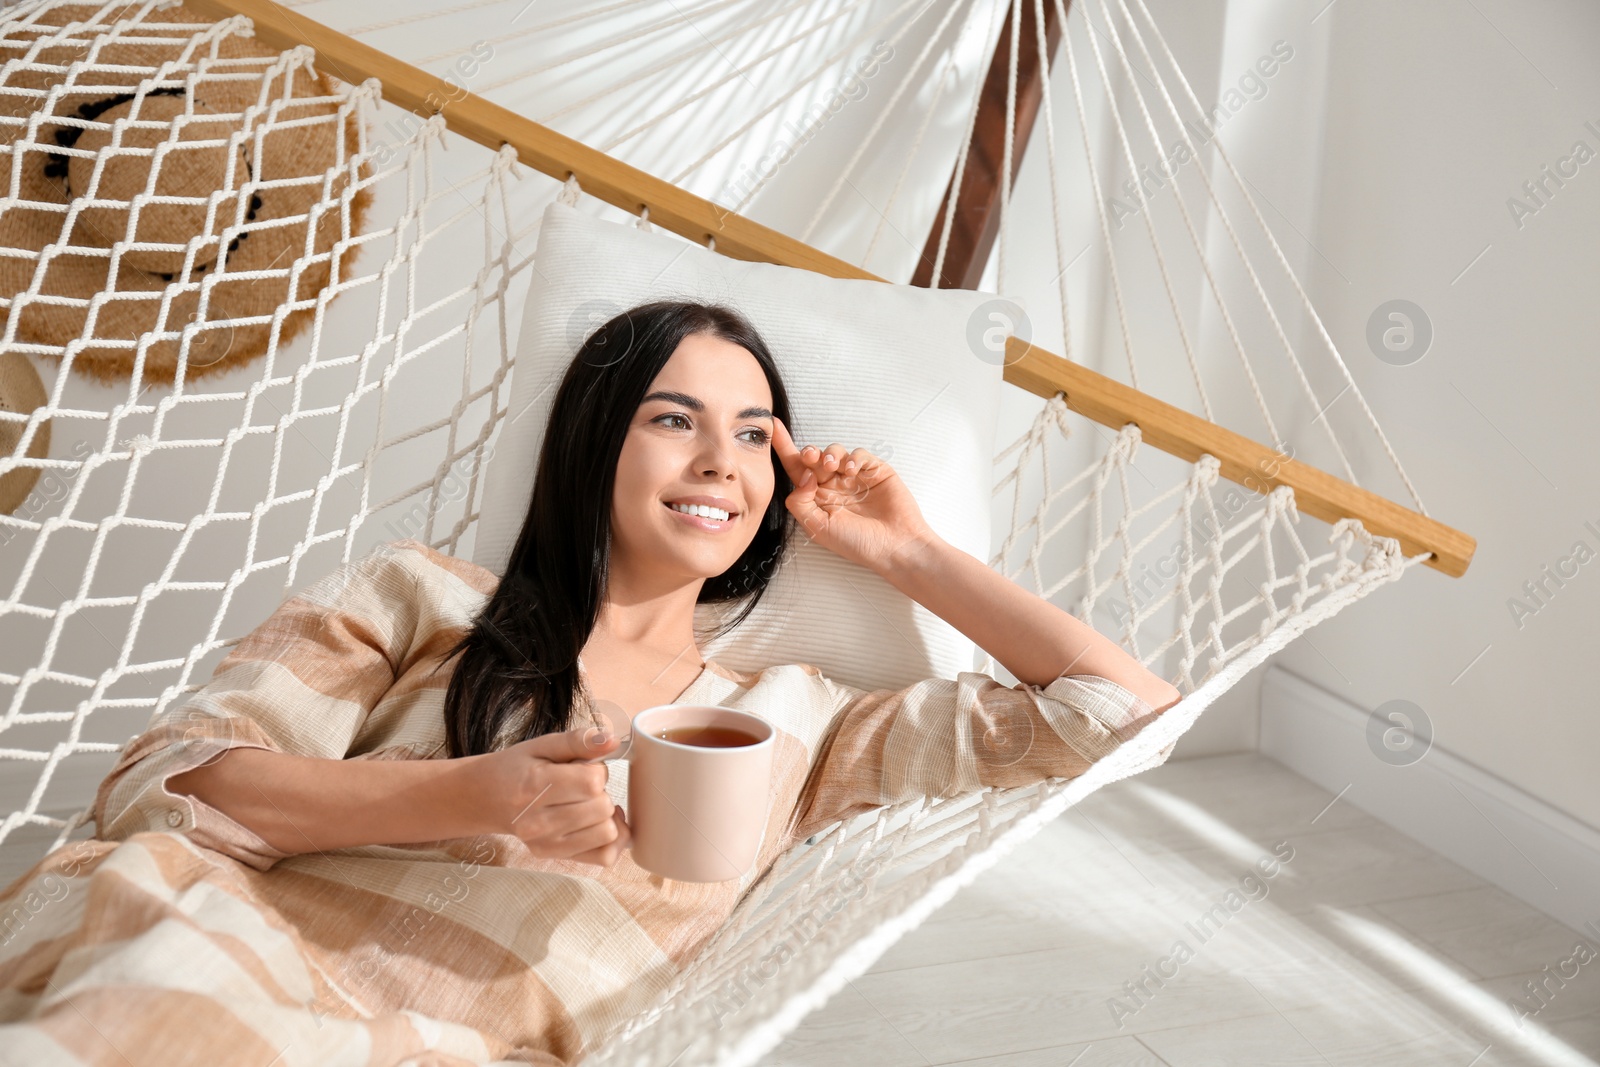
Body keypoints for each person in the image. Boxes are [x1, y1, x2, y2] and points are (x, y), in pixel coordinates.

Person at [0, 300, 1180, 1065]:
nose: (723, 456)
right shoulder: (424, 599)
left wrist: (906, 552)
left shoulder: (799, 721)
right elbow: (168, 787)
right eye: (676, 419)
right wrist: (478, 794)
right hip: (201, 949)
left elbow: (1123, 718)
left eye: (756, 433)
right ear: (592, 443)